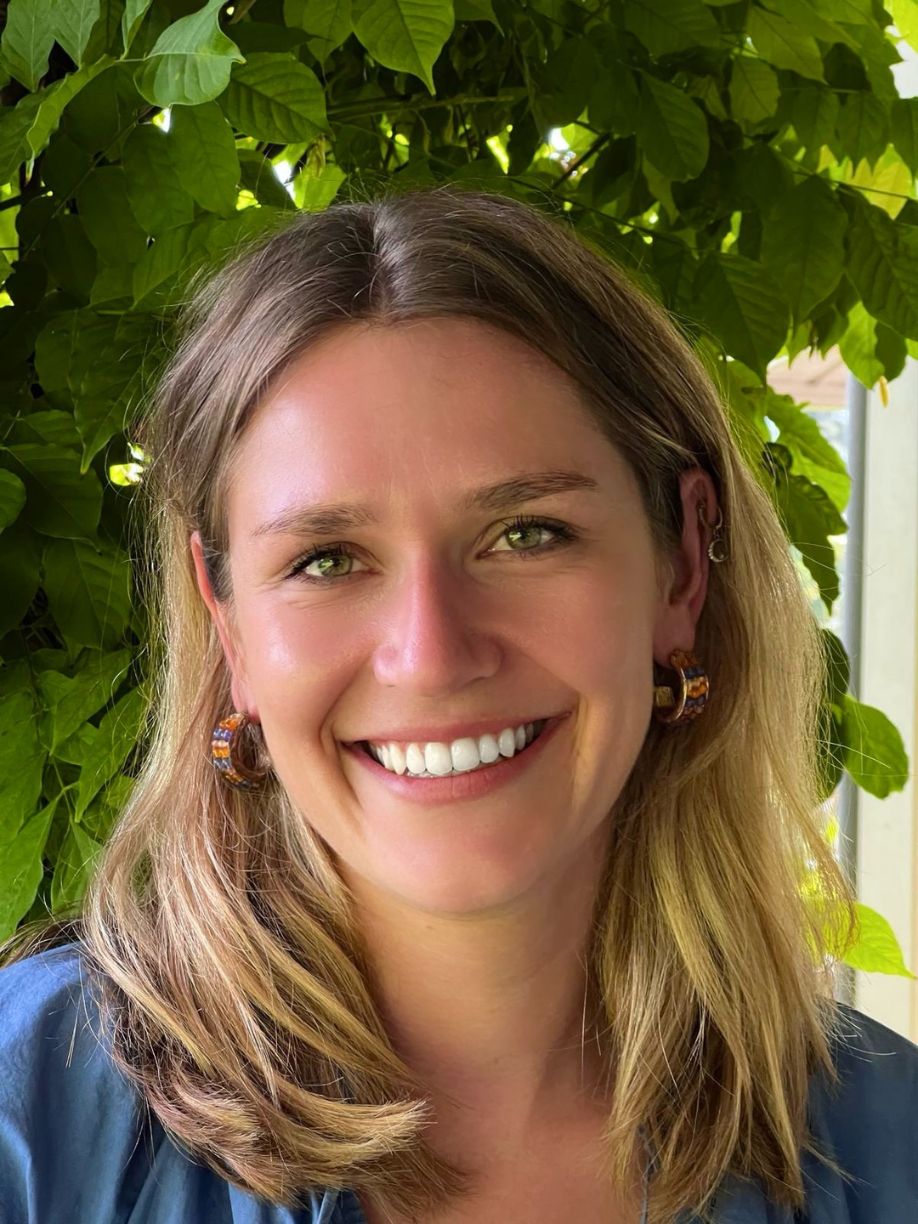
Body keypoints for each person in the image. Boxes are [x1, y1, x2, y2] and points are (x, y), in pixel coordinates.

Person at [0, 186, 915, 1224]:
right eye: (327, 559)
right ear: (230, 626)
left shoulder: (885, 1144)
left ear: (683, 568)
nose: (432, 655)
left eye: (527, 534)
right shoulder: (33, 1118)